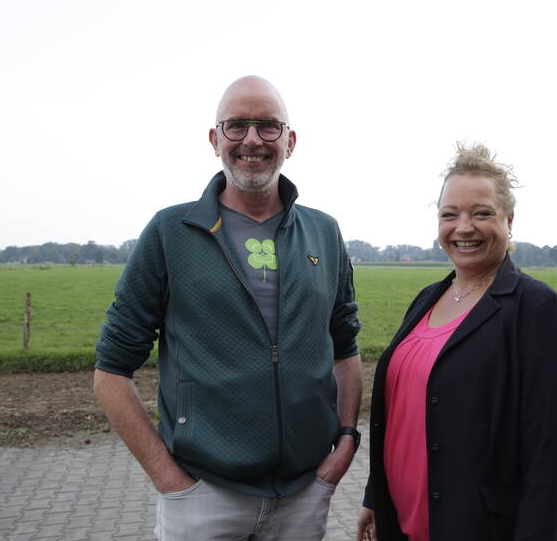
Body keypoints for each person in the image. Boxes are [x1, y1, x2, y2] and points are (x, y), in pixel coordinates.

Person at [94, 75, 363, 541]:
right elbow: (111, 371)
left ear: (291, 141)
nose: (253, 140)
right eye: (236, 126)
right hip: (203, 495)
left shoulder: (324, 232)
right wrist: (170, 480)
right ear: (215, 139)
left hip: (304, 494)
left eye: (269, 126)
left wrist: (344, 443)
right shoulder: (170, 232)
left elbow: (345, 348)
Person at [356, 144, 557, 541]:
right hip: (404, 525)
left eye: (481, 213)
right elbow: (400, 417)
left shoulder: (537, 309)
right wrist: (375, 498)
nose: (464, 227)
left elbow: (551, 456)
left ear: (508, 220)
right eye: (449, 214)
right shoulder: (427, 299)